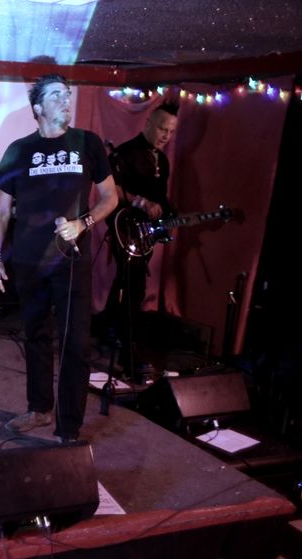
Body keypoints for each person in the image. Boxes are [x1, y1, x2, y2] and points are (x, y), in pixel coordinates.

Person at [0, 74, 118, 442]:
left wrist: (84, 223)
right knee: (36, 336)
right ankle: (39, 408)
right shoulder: (19, 150)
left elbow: (110, 197)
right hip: (29, 260)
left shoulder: (87, 143)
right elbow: (0, 211)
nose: (65, 100)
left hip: (71, 261)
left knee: (76, 342)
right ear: (38, 108)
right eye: (56, 95)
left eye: (67, 94)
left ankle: (69, 427)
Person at [102, 103, 178, 381]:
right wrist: (139, 201)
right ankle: (129, 352)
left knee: (126, 282)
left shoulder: (163, 161)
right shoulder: (124, 153)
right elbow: (110, 190)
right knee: (134, 285)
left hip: (147, 232)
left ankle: (107, 328)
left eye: (170, 131)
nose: (165, 135)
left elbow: (161, 196)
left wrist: (170, 215)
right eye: (162, 128)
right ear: (148, 123)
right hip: (125, 228)